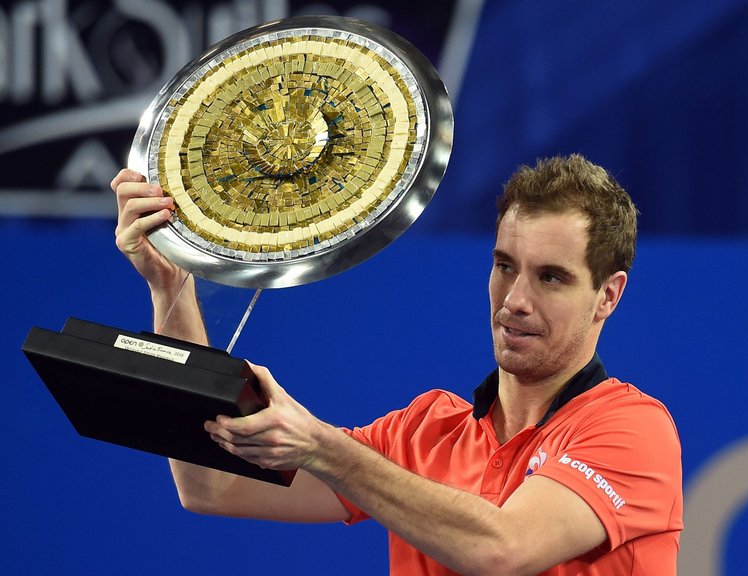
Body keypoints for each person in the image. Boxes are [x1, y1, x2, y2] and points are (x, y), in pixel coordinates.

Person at [111, 154, 682, 575]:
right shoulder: (422, 432)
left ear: (609, 295)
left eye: (551, 277)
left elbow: (502, 548)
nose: (514, 301)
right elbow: (211, 486)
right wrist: (172, 289)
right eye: (505, 266)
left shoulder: (632, 429)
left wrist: (322, 447)